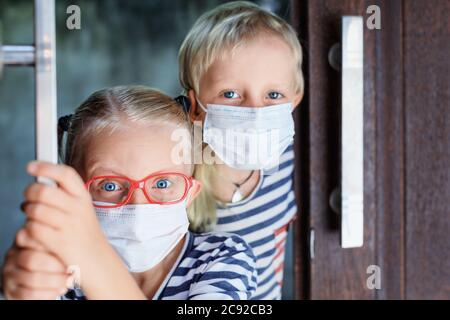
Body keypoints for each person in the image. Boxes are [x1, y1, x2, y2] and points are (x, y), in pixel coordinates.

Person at [1, 86, 257, 300]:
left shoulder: (224, 259)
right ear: (73, 193)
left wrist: (91, 262)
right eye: (110, 185)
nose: (138, 204)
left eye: (162, 184)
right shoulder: (60, 278)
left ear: (190, 192)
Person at [179, 1, 304, 299]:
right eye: (231, 94)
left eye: (273, 95)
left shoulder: (285, 158)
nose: (255, 112)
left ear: (294, 101)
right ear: (195, 105)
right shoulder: (179, 179)